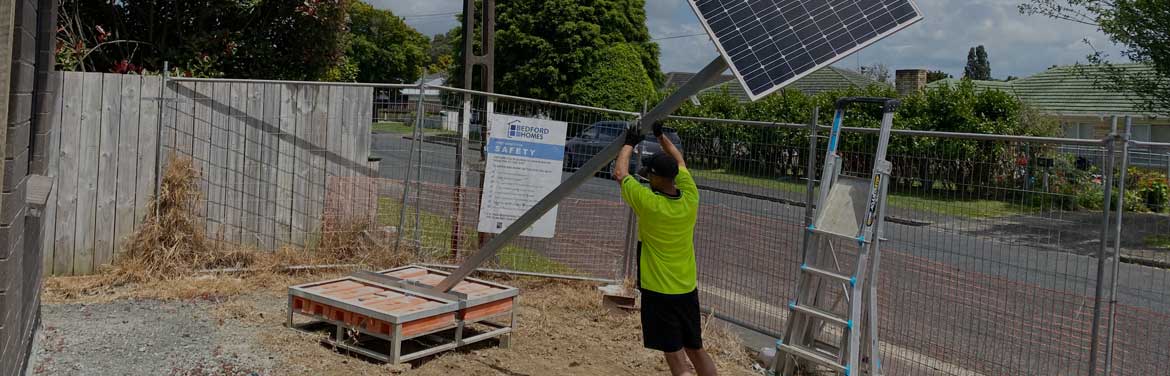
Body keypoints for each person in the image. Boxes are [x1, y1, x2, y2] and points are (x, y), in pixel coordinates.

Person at [614, 122, 717, 376]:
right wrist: (662, 136)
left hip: (659, 291)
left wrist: (629, 142)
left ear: (659, 178)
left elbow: (620, 174)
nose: (647, 177)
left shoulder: (650, 203)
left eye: (650, 174)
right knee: (695, 348)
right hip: (686, 288)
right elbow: (679, 160)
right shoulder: (691, 196)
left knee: (674, 354)